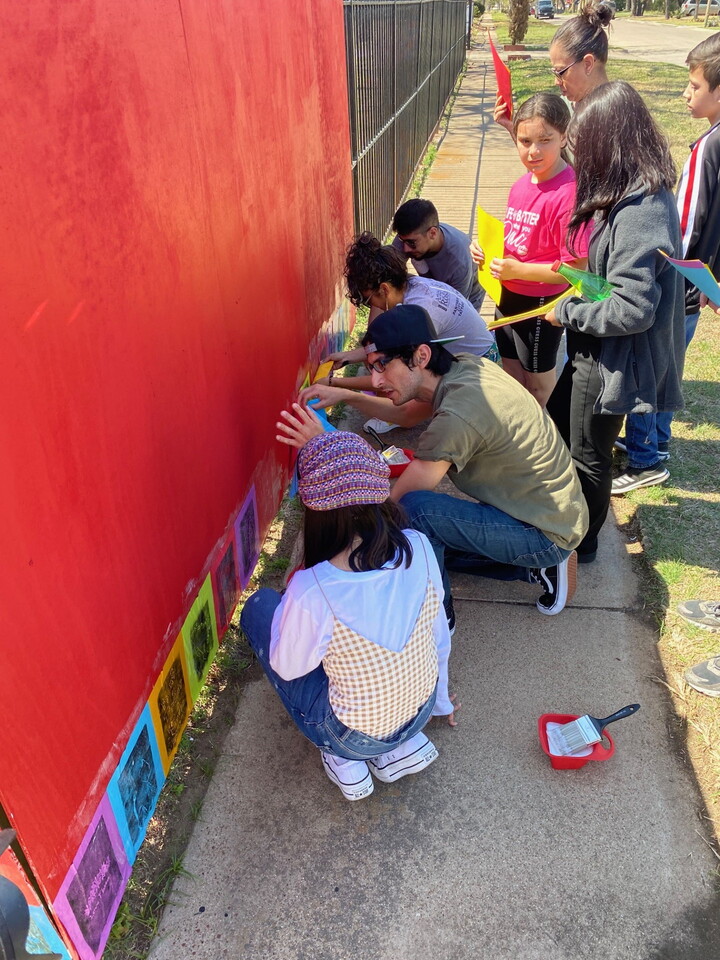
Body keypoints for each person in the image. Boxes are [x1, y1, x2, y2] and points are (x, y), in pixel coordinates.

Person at [289, 304, 589, 622]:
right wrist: (345, 395)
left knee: (415, 516)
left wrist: (327, 445)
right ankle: (535, 569)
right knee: (420, 539)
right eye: (371, 368)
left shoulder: (458, 414)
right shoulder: (464, 369)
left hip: (543, 532)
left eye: (382, 366)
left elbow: (394, 504)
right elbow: (405, 413)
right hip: (547, 512)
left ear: (421, 356)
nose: (375, 381)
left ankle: (440, 616)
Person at [240, 431, 456, 802]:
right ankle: (397, 750)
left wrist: (295, 615)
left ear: (316, 512)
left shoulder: (313, 587)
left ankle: (344, 757)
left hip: (351, 735)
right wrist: (440, 702)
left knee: (260, 607)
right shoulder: (418, 546)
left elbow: (289, 667)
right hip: (418, 715)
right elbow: (440, 635)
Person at [543, 81, 686, 564]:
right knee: (559, 430)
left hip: (611, 359)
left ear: (612, 142)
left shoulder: (645, 208)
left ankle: (579, 547)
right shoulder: (628, 193)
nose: (578, 158)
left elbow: (632, 307)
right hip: (594, 349)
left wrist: (567, 310)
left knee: (588, 454)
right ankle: (564, 524)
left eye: (584, 146)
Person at [613, 33, 720, 493]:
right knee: (669, 365)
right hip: (704, 285)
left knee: (652, 366)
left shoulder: (705, 149)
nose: (685, 94)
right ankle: (654, 446)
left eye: (693, 86)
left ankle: (643, 460)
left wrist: (659, 274)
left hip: (682, 284)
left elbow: (684, 228)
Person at [323, 233, 496, 434]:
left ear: (384, 289)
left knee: (405, 398)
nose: (372, 306)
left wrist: (333, 383)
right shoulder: (412, 287)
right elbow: (385, 346)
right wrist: (346, 358)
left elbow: (395, 384)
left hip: (480, 370)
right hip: (478, 353)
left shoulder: (422, 311)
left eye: (369, 300)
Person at [482, 92, 589, 408]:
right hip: (506, 296)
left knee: (539, 387)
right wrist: (488, 251)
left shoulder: (568, 194)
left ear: (564, 136)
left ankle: (547, 446)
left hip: (539, 304)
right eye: (525, 141)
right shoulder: (521, 185)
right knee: (512, 376)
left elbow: (576, 272)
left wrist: (518, 270)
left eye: (545, 140)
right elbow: (520, 238)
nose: (533, 151)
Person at [494, 2, 612, 135]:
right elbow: (546, 154)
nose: (556, 82)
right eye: (555, 73)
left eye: (560, 72)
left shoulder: (618, 120)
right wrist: (512, 127)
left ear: (588, 64)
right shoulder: (566, 109)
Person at [390, 198, 485, 310]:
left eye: (411, 243)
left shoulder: (459, 262)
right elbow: (386, 275)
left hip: (464, 297)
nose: (405, 249)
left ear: (433, 233)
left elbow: (455, 310)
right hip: (431, 279)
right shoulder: (409, 235)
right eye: (402, 240)